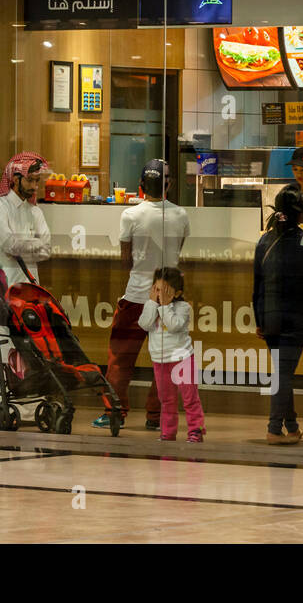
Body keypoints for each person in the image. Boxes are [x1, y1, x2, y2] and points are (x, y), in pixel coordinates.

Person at [97, 159, 189, 430]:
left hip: (137, 297)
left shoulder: (130, 215)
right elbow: (177, 252)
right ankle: (156, 416)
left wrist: (139, 276)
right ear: (169, 185)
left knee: (120, 358)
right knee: (165, 360)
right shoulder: (181, 215)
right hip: (169, 298)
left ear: (140, 186)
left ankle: (115, 412)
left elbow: (126, 260)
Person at [253, 187, 303, 446]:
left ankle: (292, 426)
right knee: (283, 373)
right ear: (301, 213)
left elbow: (257, 285)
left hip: (270, 317)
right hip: (296, 318)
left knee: (282, 369)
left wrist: (259, 320)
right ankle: (274, 429)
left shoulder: (264, 241)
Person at [0, 152, 52, 413]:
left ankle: (30, 406)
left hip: (30, 293)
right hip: (3, 290)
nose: (35, 187)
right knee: (3, 348)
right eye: (31, 181)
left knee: (30, 348)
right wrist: (30, 245)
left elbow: (46, 249)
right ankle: (3, 405)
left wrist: (24, 246)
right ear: (14, 179)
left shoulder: (35, 211)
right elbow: (8, 244)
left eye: (37, 181)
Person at [138, 266, 205, 443]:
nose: (160, 295)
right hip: (160, 361)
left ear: (177, 293)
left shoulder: (182, 307)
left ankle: (195, 431)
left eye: (165, 291)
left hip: (183, 359)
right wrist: (152, 303)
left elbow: (174, 325)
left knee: (190, 398)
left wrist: (166, 306)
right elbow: (144, 324)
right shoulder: (151, 306)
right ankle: (168, 432)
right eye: (157, 289)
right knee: (166, 400)